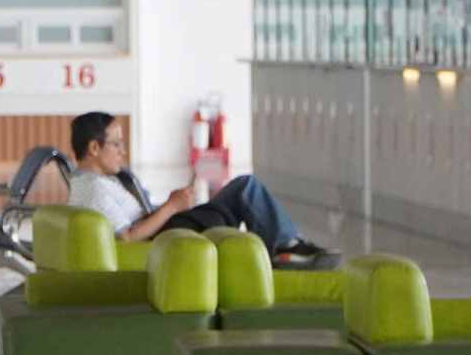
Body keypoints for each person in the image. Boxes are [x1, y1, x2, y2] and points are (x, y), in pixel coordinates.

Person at [66, 112, 334, 266]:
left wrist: (170, 205)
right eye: (116, 144)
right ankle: (284, 249)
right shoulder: (94, 190)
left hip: (165, 229)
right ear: (94, 148)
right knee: (244, 190)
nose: (122, 152)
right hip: (164, 238)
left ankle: (283, 247)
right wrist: (171, 208)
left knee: (243, 188)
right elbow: (127, 237)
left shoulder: (93, 184)